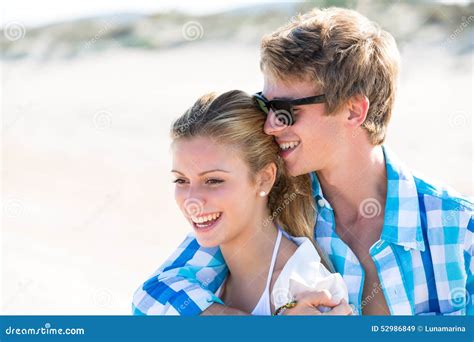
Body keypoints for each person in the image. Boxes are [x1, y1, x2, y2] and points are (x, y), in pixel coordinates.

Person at [133, 7, 473, 315]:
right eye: (266, 107)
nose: (269, 125)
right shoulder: (273, 206)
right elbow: (153, 297)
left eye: (284, 112)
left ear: (354, 110)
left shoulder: (459, 229)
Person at [134, 90, 349, 315]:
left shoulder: (310, 292)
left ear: (264, 179)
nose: (191, 202)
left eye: (213, 180)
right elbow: (147, 298)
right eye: (181, 180)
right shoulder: (206, 257)